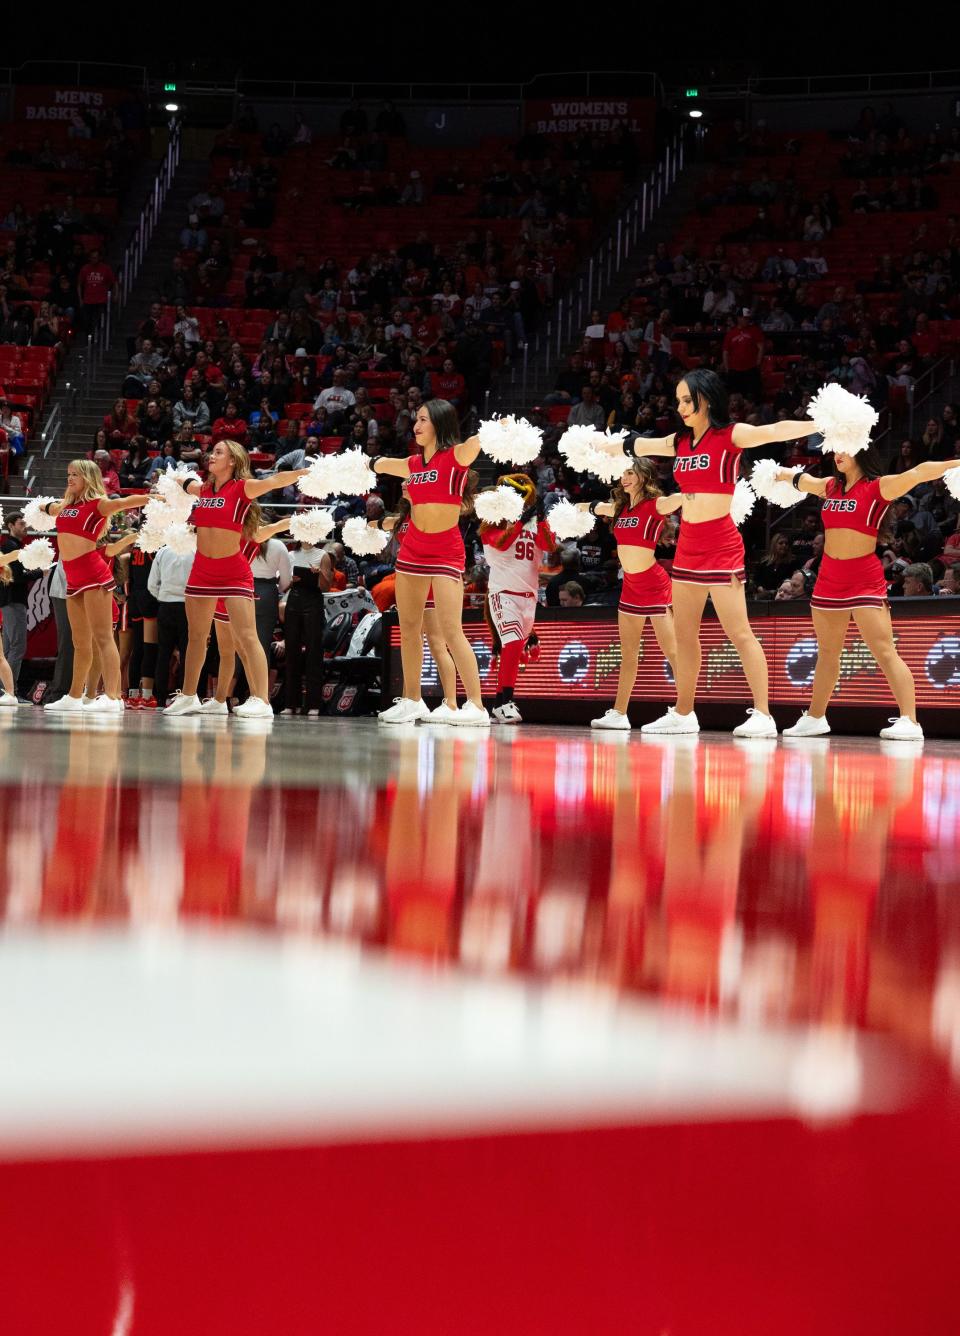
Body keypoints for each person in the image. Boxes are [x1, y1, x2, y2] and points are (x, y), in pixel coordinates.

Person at [632, 369, 821, 737]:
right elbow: (643, 445)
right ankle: (684, 712)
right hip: (688, 545)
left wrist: (822, 423)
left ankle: (764, 714)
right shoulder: (681, 442)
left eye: (687, 400)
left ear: (706, 399)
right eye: (679, 400)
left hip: (720, 544)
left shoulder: (729, 435)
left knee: (739, 632)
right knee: (683, 634)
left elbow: (774, 431)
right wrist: (603, 446)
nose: (681, 407)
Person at [779, 447, 960, 741]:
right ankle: (815, 717)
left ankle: (910, 720)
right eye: (835, 449)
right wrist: (776, 473)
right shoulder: (830, 486)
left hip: (863, 578)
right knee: (826, 653)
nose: (838, 455)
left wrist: (955, 464)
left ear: (861, 452)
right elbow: (800, 479)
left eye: (845, 450)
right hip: (828, 579)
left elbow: (920, 471)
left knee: (884, 650)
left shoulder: (878, 487)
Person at [162, 440, 308, 719]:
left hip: (232, 571)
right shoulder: (203, 489)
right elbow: (184, 484)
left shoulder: (242, 488)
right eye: (212, 451)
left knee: (246, 636)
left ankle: (261, 700)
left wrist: (307, 474)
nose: (211, 456)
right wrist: (172, 481)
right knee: (195, 636)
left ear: (232, 461)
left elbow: (277, 480)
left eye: (219, 452)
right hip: (201, 570)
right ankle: (189, 695)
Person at [372, 398, 488, 725]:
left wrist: (502, 428)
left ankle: (476, 706)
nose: (416, 426)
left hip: (445, 549)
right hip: (412, 551)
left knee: (452, 631)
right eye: (415, 420)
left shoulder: (456, 456)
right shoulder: (413, 463)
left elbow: (479, 441)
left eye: (423, 419)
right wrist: (362, 465)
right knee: (409, 629)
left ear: (439, 422)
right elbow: (381, 464)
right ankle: (413, 700)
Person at [41, 462, 150, 713]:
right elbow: (49, 507)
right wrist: (41, 506)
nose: (69, 478)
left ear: (88, 477)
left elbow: (123, 502)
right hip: (72, 578)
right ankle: (74, 695)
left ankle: (113, 697)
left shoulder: (98, 504)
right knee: (79, 641)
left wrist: (151, 497)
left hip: (93, 574)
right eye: (68, 474)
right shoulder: (66, 505)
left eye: (75, 474)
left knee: (102, 638)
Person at [580, 459, 682, 731]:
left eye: (630, 473)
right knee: (628, 654)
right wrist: (565, 511)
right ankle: (619, 713)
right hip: (630, 587)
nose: (624, 478)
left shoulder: (656, 504)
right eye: (623, 473)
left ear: (643, 476)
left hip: (655, 584)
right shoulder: (619, 508)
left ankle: (684, 711)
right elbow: (590, 507)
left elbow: (685, 498)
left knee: (671, 651)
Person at [478, 474, 555, 724]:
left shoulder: (532, 523)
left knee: (513, 651)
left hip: (529, 595)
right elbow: (502, 544)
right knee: (511, 647)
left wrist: (541, 519)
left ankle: (499, 704)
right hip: (503, 593)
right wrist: (521, 520)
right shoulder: (491, 523)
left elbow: (549, 546)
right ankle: (505, 702)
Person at [204, 520, 292, 715]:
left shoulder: (254, 536)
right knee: (230, 649)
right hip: (232, 589)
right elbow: (286, 580)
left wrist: (304, 522)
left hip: (241, 588)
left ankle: (260, 698)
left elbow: (278, 527)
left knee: (248, 646)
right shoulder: (225, 533)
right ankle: (222, 699)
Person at [280, 535, 333, 718]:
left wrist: (318, 574)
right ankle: (290, 703)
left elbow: (327, 587)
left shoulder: (323, 555)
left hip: (314, 600)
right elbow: (282, 586)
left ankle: (313, 704)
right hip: (294, 600)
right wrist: (291, 581)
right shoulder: (290, 554)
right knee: (292, 652)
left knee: (313, 652)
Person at [0, 511, 35, 696]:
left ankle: (4, 691)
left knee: (7, 649)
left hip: (10, 601)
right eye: (21, 523)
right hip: (13, 601)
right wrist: (40, 573)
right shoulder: (10, 547)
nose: (25, 526)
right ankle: (9, 692)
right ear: (11, 525)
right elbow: (16, 577)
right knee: (17, 647)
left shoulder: (11, 546)